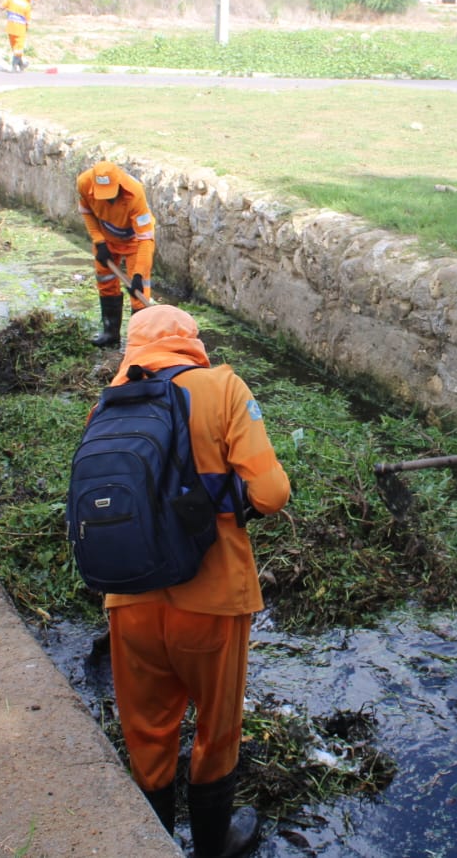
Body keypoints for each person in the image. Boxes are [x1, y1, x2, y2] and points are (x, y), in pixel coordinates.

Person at [101, 304, 291, 857]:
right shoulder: (223, 387)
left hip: (129, 596)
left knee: (148, 729)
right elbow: (272, 495)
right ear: (192, 341)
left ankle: (155, 842)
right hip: (212, 597)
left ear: (134, 347)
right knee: (216, 727)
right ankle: (213, 845)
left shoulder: (110, 400)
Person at [76, 159, 156, 347]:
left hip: (135, 240)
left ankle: (139, 343)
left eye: (111, 195)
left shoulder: (135, 192)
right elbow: (87, 212)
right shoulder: (84, 183)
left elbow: (145, 239)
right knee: (105, 281)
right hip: (106, 238)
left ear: (119, 185)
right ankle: (110, 333)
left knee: (139, 290)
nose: (108, 200)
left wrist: (137, 275)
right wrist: (98, 241)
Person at [0, 0, 37, 72]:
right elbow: (27, 20)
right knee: (19, 48)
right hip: (20, 29)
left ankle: (21, 65)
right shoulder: (27, 6)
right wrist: (27, 29)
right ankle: (14, 66)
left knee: (14, 47)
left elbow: (1, 7)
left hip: (10, 27)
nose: (31, 0)